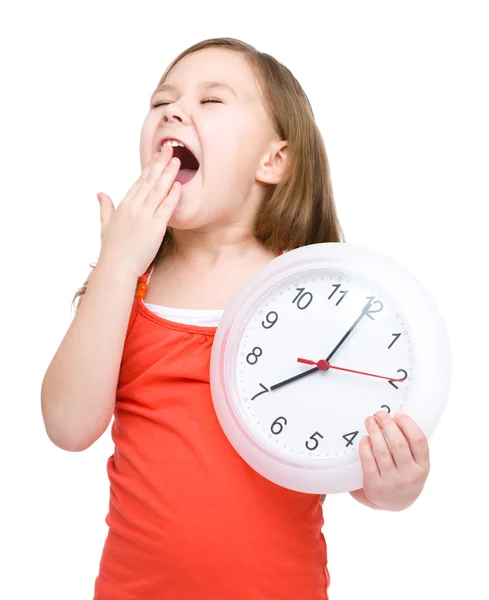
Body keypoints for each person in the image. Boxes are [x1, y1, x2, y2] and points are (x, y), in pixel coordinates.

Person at [41, 37, 431, 600]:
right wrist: (116, 265)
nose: (174, 111)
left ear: (273, 161)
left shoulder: (313, 296)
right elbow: (68, 426)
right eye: (162, 102)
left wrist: (397, 485)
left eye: (212, 101)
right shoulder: (128, 286)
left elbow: (346, 458)